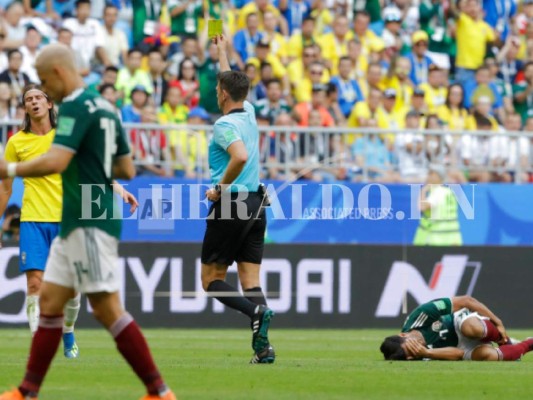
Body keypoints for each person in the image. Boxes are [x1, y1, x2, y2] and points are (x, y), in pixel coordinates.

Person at [0, 44, 176, 400]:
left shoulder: (76, 108)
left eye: (46, 81)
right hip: (74, 223)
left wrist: (9, 168)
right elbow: (126, 168)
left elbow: (56, 162)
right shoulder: (106, 109)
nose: (46, 90)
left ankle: (158, 391)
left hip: (88, 222)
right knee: (49, 301)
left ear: (60, 73)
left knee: (107, 308)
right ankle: (27, 390)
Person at [202, 34, 275, 364]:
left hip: (231, 204)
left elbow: (240, 156)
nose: (216, 91)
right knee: (250, 280)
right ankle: (264, 348)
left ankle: (256, 312)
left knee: (212, 280)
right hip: (257, 204)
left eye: (218, 88)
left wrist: (219, 188)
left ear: (223, 94)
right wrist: (223, 53)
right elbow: (229, 79)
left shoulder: (224, 124)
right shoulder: (248, 111)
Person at [0, 84, 83, 358]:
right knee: (35, 284)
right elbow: (5, 188)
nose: (34, 102)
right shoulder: (16, 142)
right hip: (33, 220)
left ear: (49, 104)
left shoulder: (66, 136)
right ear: (25, 108)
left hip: (66, 220)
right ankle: (41, 346)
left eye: (38, 97)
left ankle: (68, 331)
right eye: (28, 99)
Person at [380, 296, 533, 361]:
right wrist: (427, 352)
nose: (416, 349)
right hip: (457, 346)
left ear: (403, 334)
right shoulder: (418, 355)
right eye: (411, 353)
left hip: (458, 322)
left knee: (471, 329)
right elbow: (458, 354)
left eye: (411, 346)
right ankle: (528, 343)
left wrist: (498, 322)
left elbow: (466, 300)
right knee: (488, 356)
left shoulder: (421, 315)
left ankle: (501, 338)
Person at [413, 165, 462, 246]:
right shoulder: (448, 192)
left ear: (439, 176)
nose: (428, 176)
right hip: (452, 239)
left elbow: (422, 207)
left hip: (438, 240)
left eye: (431, 173)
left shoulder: (438, 192)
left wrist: (423, 191)